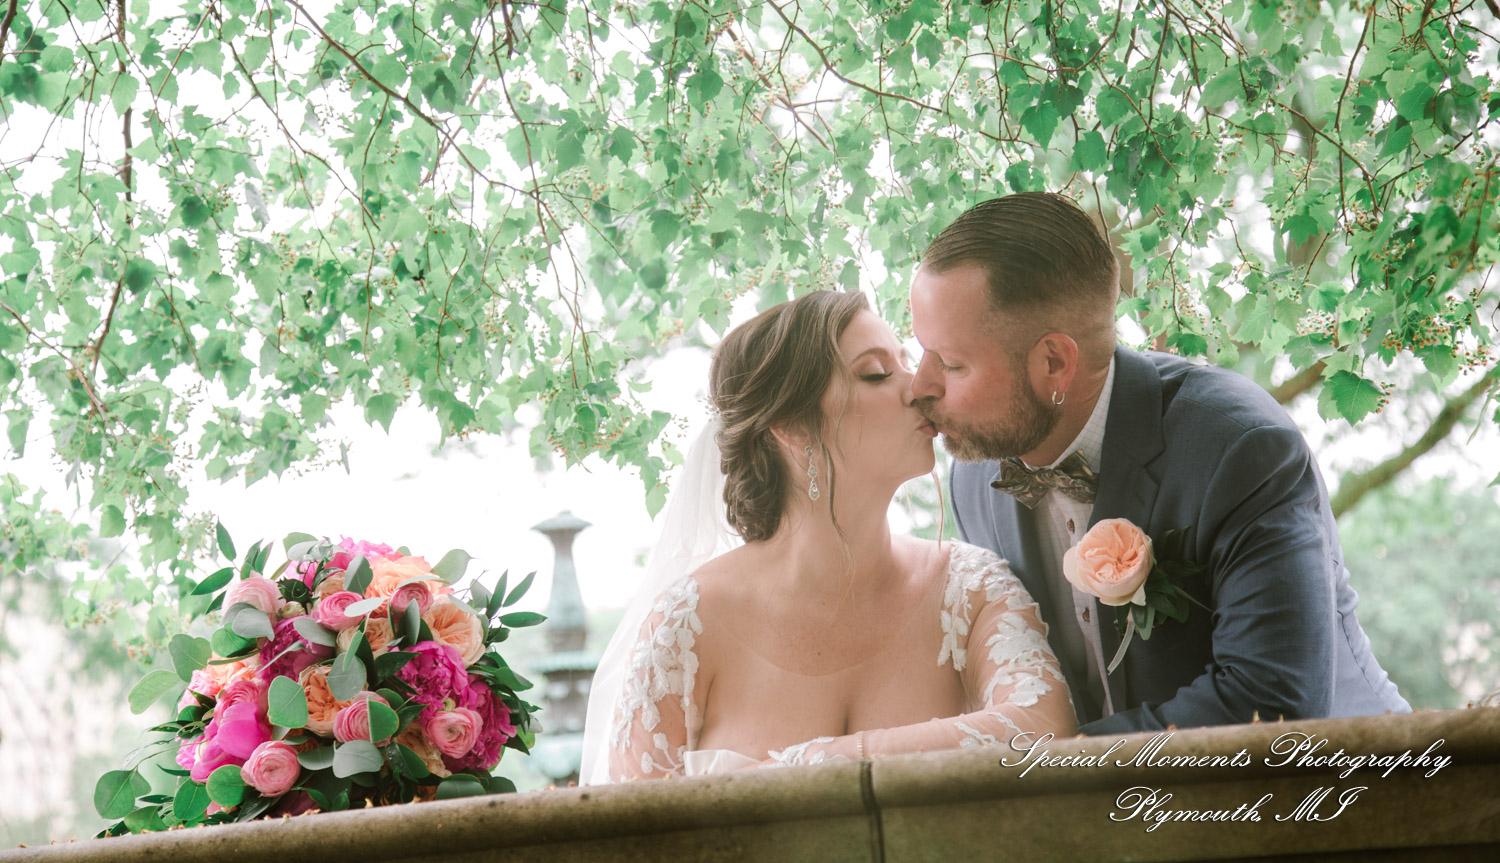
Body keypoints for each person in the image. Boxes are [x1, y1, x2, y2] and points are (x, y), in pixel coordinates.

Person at [909, 192, 1410, 735]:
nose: (919, 386)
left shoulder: (1241, 447)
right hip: (1126, 809)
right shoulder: (976, 476)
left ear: (1054, 361)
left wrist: (1047, 766)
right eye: (922, 351)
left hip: (1343, 788)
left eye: (951, 364)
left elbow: (1271, 702)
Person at [580, 291, 1077, 783]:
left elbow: (1044, 730)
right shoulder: (687, 625)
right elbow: (638, 831)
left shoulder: (971, 587)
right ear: (793, 426)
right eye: (877, 374)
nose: (919, 387)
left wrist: (794, 769)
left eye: (907, 362)